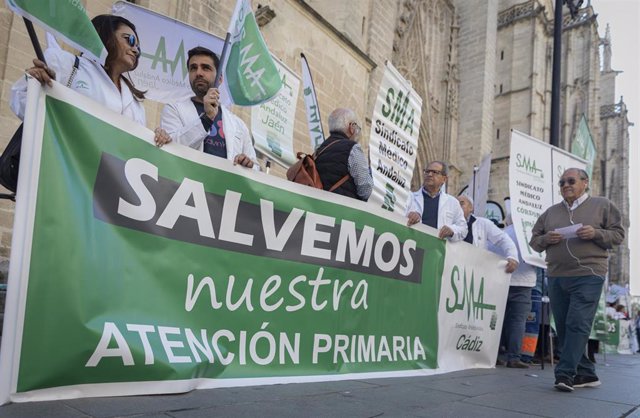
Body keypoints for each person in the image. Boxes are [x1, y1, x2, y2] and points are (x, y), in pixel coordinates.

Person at [530, 168, 624, 392]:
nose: (565, 185)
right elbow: (534, 241)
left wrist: (596, 234)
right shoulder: (551, 213)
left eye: (570, 181)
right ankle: (586, 373)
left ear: (585, 183)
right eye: (562, 182)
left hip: (589, 273)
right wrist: (546, 238)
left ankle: (565, 374)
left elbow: (618, 235)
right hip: (557, 274)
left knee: (577, 322)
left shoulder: (602, 205)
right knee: (563, 327)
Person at [10, 15, 169, 145]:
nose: (135, 50)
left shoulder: (136, 103)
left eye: (138, 48)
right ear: (105, 36)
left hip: (105, 181)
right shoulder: (66, 64)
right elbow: (20, 100)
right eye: (130, 40)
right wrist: (34, 84)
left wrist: (156, 138)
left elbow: (136, 149)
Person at [159, 46, 258, 170]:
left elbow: (256, 168)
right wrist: (207, 118)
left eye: (206, 68)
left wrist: (247, 163)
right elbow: (169, 149)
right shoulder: (173, 110)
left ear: (220, 78)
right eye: (193, 68)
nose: (199, 73)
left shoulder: (238, 125)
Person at [498, 216, 537, 368]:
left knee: (498, 319)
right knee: (518, 321)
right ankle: (514, 357)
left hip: (502, 280)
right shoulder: (530, 234)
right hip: (524, 282)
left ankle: (496, 355)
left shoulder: (503, 233)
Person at [313, 108, 372, 200]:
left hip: (318, 205)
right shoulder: (353, 149)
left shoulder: (319, 150)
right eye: (356, 126)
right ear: (351, 127)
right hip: (342, 209)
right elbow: (365, 189)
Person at [406, 161, 467, 241]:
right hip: (412, 245)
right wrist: (408, 216)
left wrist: (452, 230)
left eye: (435, 172)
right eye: (427, 171)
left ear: (444, 179)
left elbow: (463, 229)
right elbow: (397, 215)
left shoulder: (453, 203)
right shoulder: (410, 197)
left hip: (437, 250)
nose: (430, 174)